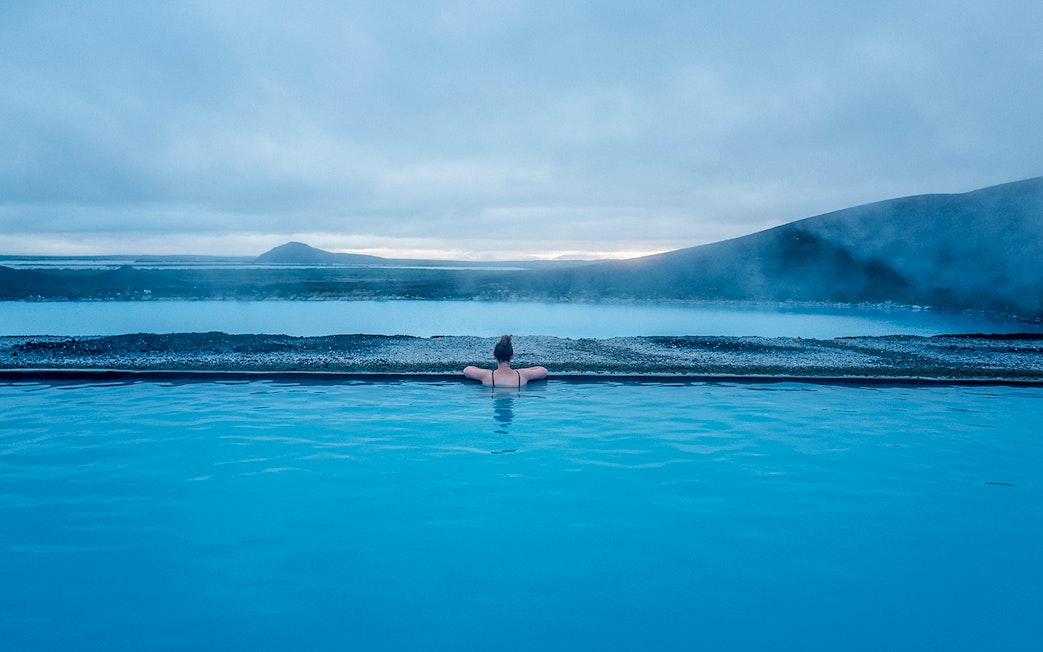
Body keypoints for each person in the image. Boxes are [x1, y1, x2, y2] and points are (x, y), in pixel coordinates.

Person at [463, 334, 548, 387]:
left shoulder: (487, 375)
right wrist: (522, 370)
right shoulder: (521, 375)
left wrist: (483, 370)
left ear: (494, 357)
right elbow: (543, 371)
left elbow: (467, 370)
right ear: (512, 357)